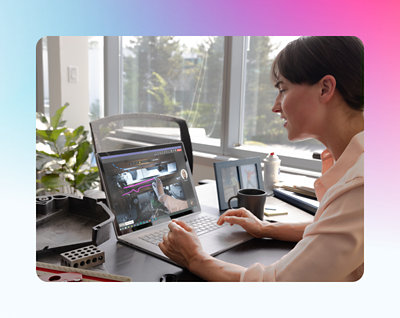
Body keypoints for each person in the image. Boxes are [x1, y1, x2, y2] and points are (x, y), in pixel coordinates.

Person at [159, 36, 364, 282]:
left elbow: (276, 286)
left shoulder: (361, 185)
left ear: (325, 88)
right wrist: (266, 228)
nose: (275, 107)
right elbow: (330, 232)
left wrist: (195, 258)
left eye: (282, 89)